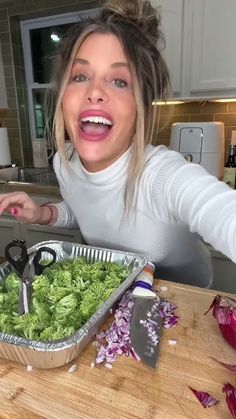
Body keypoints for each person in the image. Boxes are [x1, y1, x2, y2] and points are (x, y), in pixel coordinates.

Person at [0, 0, 235, 288]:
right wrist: (43, 213)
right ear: (63, 95)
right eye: (80, 76)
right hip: (116, 294)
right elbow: (84, 209)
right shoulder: (65, 161)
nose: (95, 91)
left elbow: (224, 214)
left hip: (184, 305)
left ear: (140, 107)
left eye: (119, 81)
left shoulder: (164, 176)